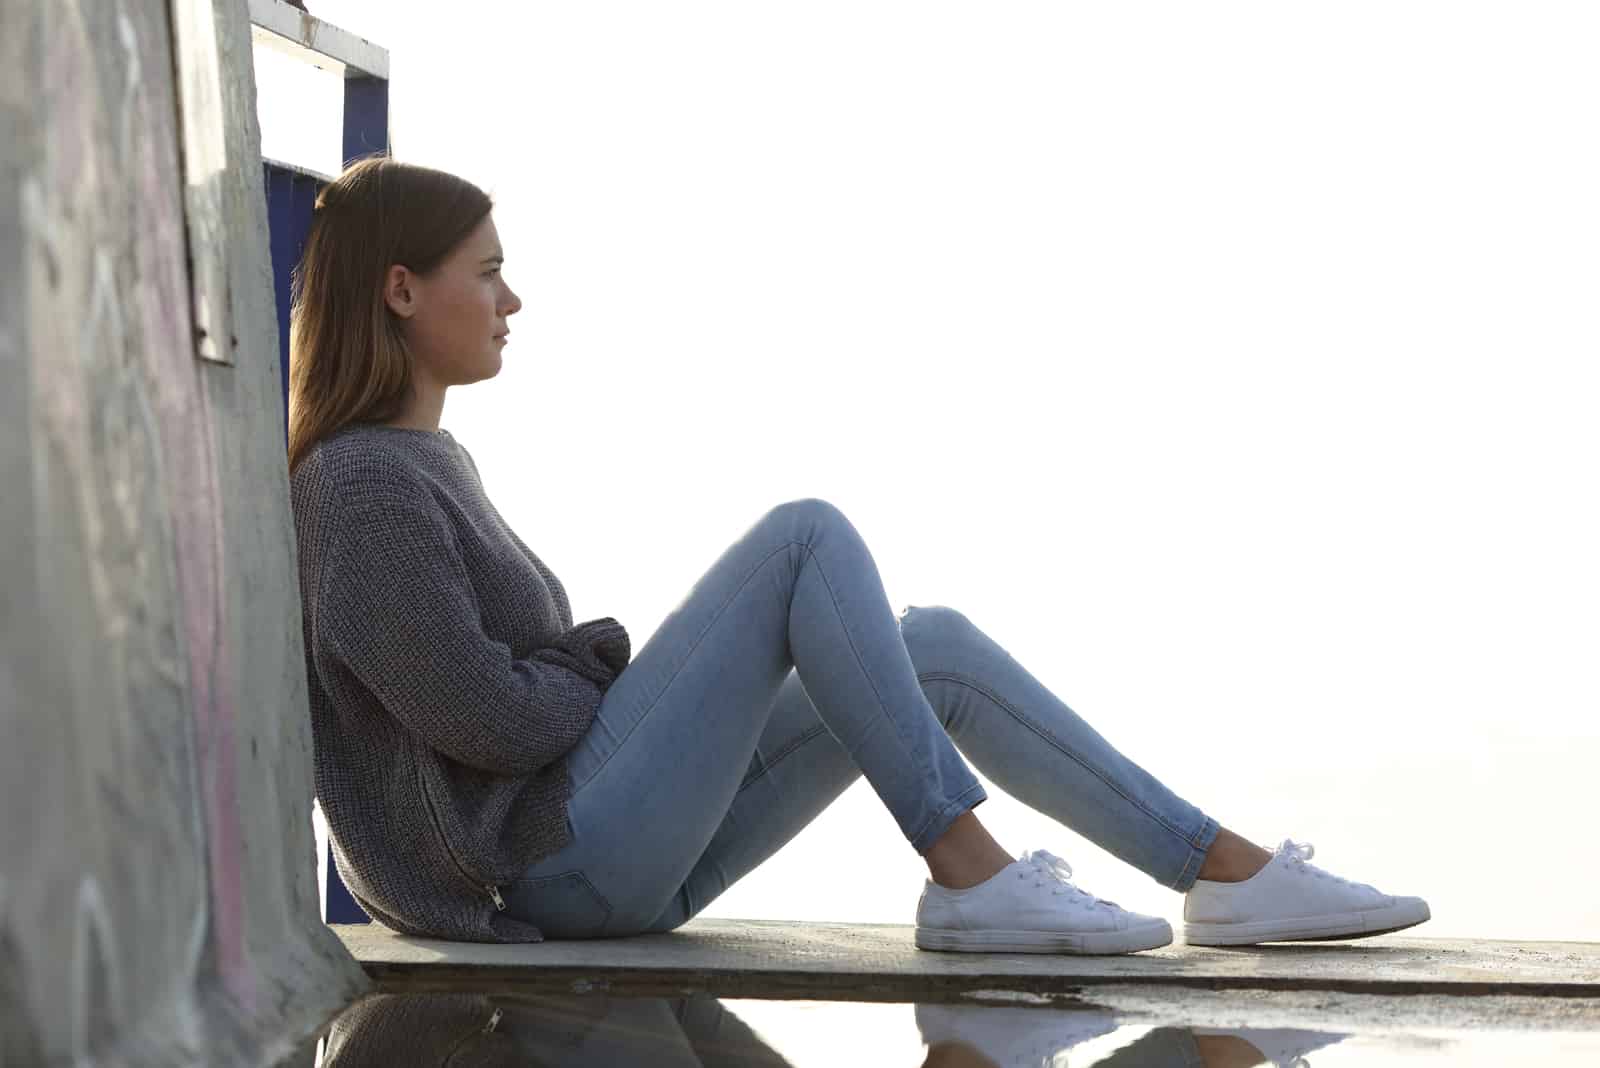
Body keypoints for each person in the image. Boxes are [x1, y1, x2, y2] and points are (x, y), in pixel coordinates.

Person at [287, 156, 1431, 954]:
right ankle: (967, 868)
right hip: (531, 870)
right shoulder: (362, 484)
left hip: (586, 859)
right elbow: (486, 714)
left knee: (923, 646)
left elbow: (504, 701)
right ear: (401, 289)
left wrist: (586, 679)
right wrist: (596, 670)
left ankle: (1220, 871)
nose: (513, 299)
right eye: (486, 272)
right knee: (804, 537)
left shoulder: (419, 464)